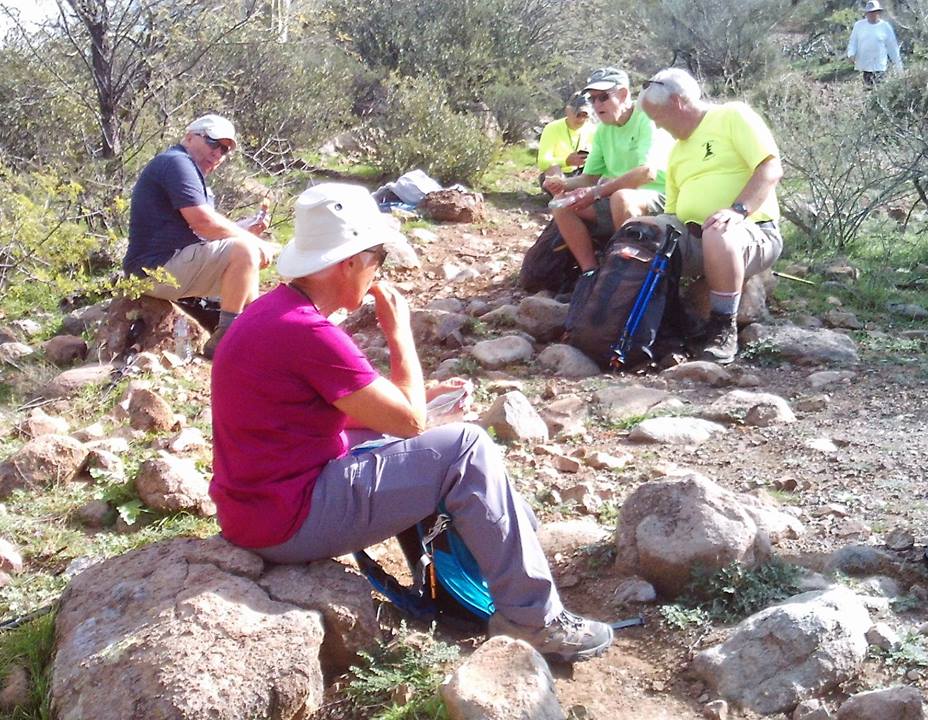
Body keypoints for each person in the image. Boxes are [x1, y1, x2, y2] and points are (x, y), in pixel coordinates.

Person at [209, 182, 614, 663]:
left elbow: (326, 409)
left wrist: (418, 402)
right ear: (349, 263)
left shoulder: (273, 313)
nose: (379, 270)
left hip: (256, 508)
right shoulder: (310, 332)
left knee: (429, 435)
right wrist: (399, 334)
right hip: (288, 520)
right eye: (377, 258)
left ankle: (500, 555)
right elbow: (409, 421)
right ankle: (533, 619)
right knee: (465, 448)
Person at [638, 68, 784, 364]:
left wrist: (738, 210)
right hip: (696, 238)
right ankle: (657, 323)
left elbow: (770, 168)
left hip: (751, 231)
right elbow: (672, 215)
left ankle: (723, 328)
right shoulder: (676, 152)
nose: (657, 127)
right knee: (643, 230)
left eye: (658, 118)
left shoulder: (732, 116)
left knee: (719, 228)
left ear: (677, 103)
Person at [123, 114, 278, 359]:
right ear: (189, 137)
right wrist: (251, 241)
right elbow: (203, 223)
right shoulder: (177, 162)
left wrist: (244, 230)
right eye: (213, 142)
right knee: (245, 250)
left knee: (246, 257)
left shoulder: (190, 173)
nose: (218, 153)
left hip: (165, 268)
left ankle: (251, 333)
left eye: (224, 149)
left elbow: (200, 232)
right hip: (154, 270)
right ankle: (228, 339)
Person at [543, 67, 672, 274]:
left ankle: (626, 273)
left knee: (622, 198)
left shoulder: (646, 119)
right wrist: (563, 184)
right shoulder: (603, 130)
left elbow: (647, 173)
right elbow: (589, 178)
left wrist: (597, 192)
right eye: (592, 99)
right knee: (562, 205)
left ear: (623, 94)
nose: (596, 105)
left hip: (659, 196)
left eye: (603, 97)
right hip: (615, 197)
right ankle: (591, 272)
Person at [536, 93, 596, 191]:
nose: (581, 119)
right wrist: (566, 161)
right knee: (553, 168)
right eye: (578, 114)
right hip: (559, 174)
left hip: (582, 175)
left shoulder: (593, 130)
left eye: (585, 116)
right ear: (568, 111)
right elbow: (542, 162)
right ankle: (561, 196)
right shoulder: (552, 128)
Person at [846, 0, 903, 86]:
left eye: (874, 12)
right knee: (867, 88)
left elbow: (892, 48)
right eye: (869, 12)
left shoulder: (885, 27)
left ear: (878, 12)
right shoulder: (859, 26)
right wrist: (851, 54)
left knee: (879, 87)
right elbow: (853, 42)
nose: (871, 14)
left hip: (879, 67)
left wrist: (899, 68)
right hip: (864, 67)